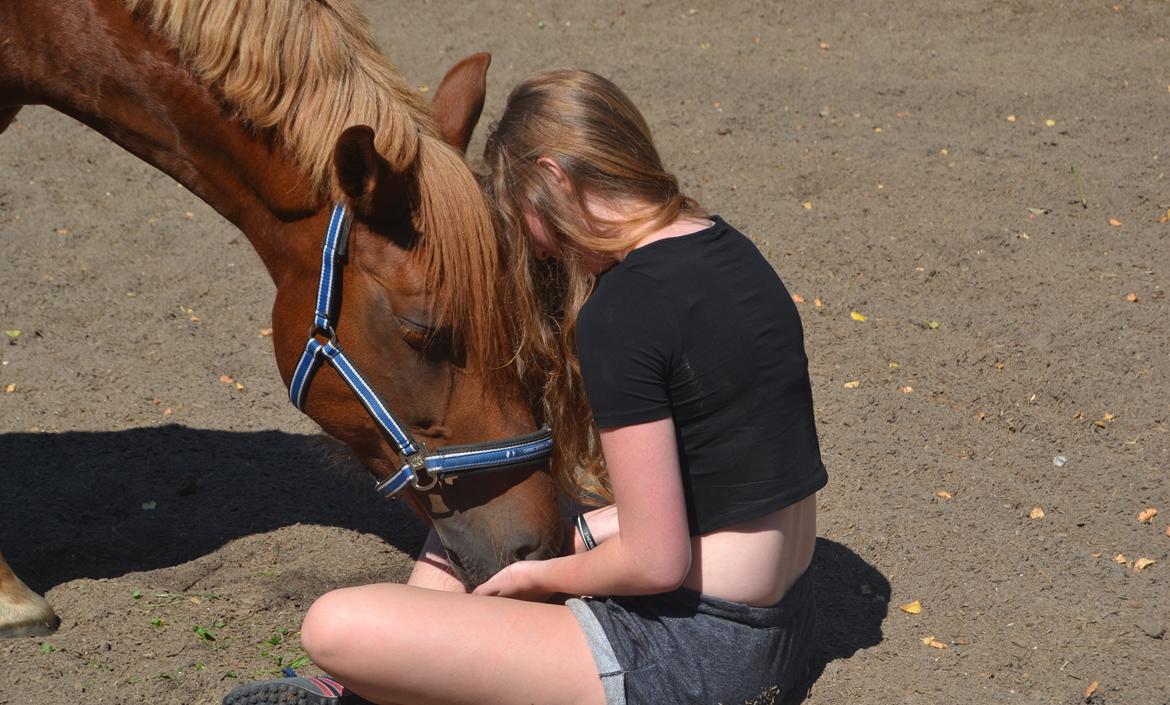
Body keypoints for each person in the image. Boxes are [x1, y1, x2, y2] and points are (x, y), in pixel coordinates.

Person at [222, 68, 827, 705]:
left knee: (336, 627)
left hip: (690, 656)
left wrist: (539, 579)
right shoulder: (729, 247)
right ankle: (409, 668)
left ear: (555, 179)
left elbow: (655, 564)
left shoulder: (623, 313)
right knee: (499, 485)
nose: (535, 250)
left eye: (522, 213)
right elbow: (730, 475)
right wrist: (587, 533)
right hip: (785, 623)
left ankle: (372, 685)